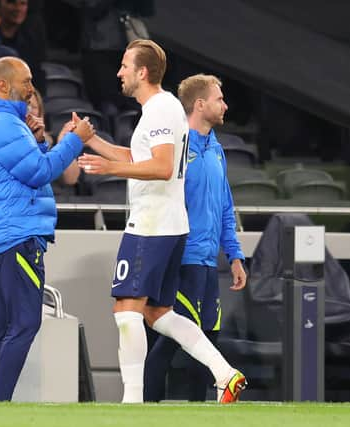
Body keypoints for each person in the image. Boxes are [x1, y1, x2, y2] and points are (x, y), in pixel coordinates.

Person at [77, 39, 246, 404]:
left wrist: (111, 169)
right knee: (157, 313)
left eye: (125, 65)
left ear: (142, 72)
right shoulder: (163, 108)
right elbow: (139, 156)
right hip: (168, 223)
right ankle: (225, 373)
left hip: (152, 223)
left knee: (126, 310)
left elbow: (162, 167)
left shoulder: (159, 110)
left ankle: (133, 401)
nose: (119, 72)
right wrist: (93, 143)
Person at [0, 56, 94, 401]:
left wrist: (43, 142)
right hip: (17, 235)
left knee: (2, 328)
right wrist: (75, 141)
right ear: (3, 85)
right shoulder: (3, 123)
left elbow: (24, 170)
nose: (32, 88)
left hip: (4, 236)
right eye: (26, 80)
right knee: (24, 323)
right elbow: (38, 173)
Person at [144, 74, 248, 402]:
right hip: (182, 260)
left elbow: (225, 207)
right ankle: (144, 407)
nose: (225, 105)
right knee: (173, 338)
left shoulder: (217, 150)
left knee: (209, 338)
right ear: (200, 104)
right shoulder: (176, 149)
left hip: (207, 263)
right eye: (219, 99)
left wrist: (234, 255)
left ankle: (200, 411)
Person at [0, 0, 45, 93]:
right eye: (12, 3)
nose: (18, 9)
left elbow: (37, 75)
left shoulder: (32, 38)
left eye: (23, 3)